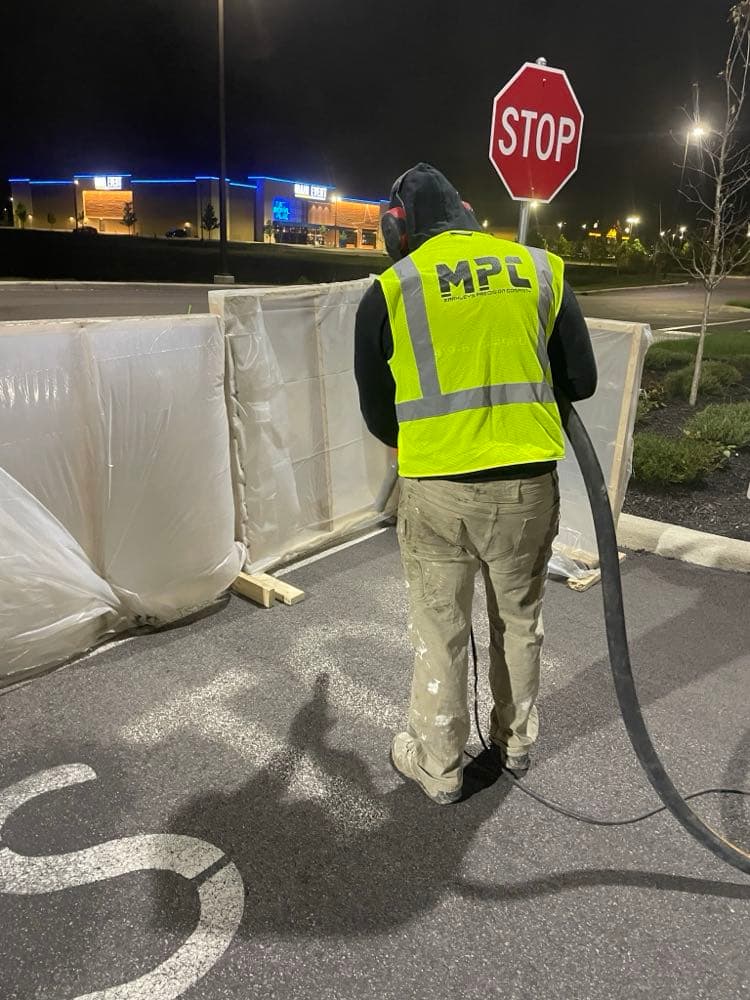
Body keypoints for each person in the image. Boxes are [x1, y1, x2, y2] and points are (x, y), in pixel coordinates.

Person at [353, 163, 597, 805]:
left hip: (438, 492)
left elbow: (381, 416)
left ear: (397, 226)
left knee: (441, 631)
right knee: (520, 622)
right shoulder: (539, 268)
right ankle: (515, 745)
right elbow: (583, 379)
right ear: (463, 212)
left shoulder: (390, 289)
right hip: (527, 489)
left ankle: (438, 768)